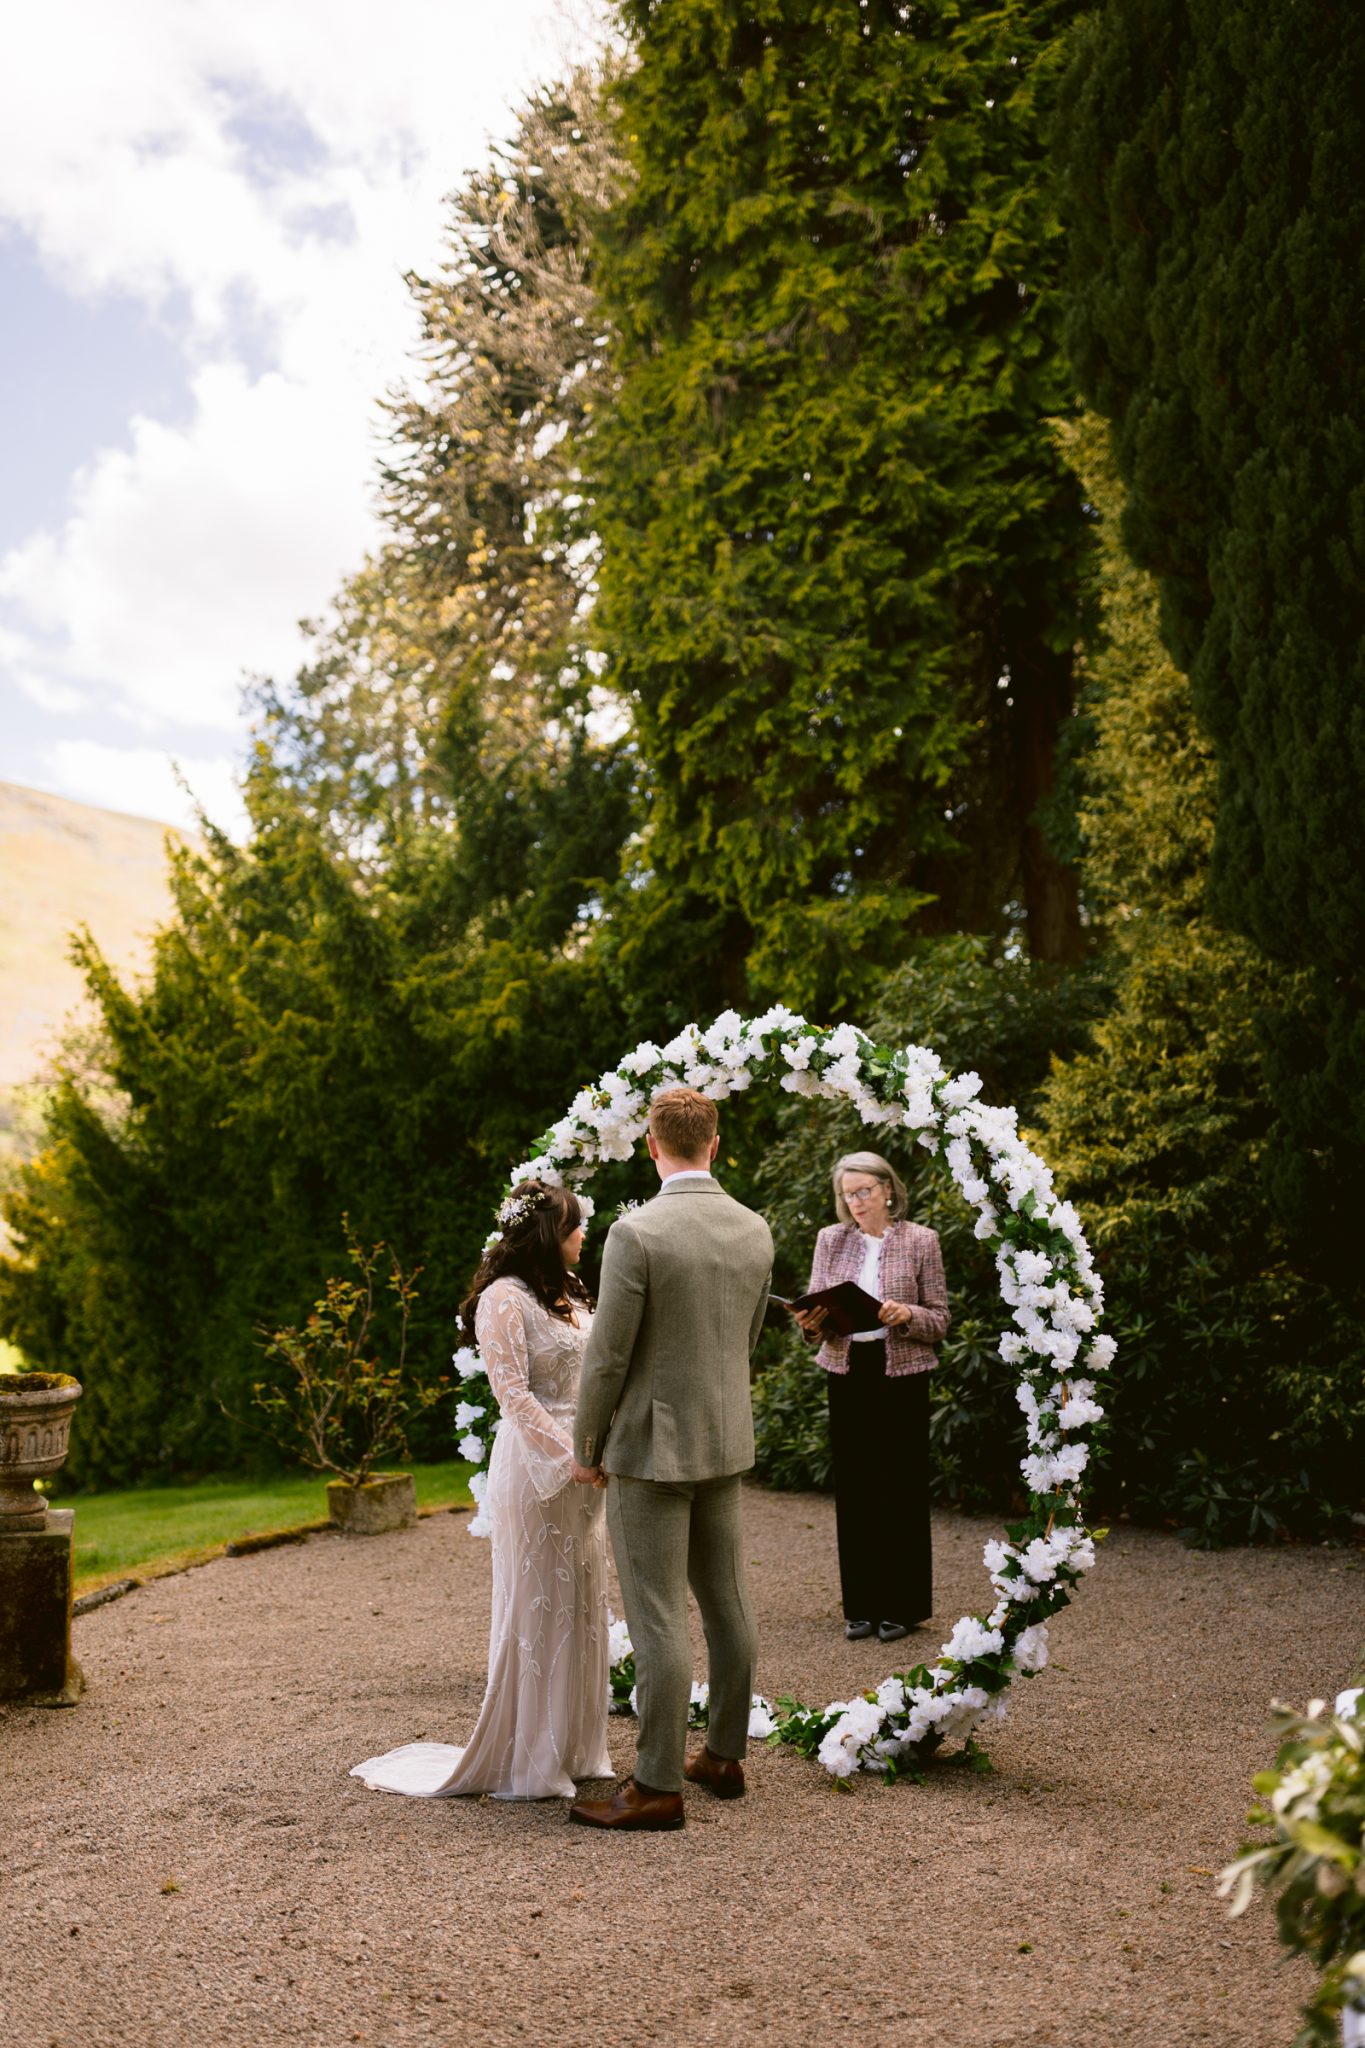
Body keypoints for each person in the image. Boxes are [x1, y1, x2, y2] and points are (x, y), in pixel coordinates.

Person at [350, 1181, 613, 1800]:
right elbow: (513, 1394)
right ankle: (531, 1757)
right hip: (538, 1466)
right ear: (550, 1234)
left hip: (587, 1469)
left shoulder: (570, 1292)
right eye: (575, 1227)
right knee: (539, 1604)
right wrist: (570, 1454)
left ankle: (578, 1748)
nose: (583, 1238)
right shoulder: (503, 1299)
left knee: (582, 1599)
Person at [566, 1087, 773, 1832]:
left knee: (656, 1619)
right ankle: (721, 1755)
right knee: (727, 1604)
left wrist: (587, 1448)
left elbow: (606, 1358)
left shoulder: (636, 1231)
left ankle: (655, 1784)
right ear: (712, 1144)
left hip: (651, 1451)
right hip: (724, 1440)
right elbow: (745, 1340)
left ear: (651, 1146)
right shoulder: (754, 1228)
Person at [795, 1151, 949, 1646]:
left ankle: (901, 1608)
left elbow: (941, 1319)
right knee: (856, 1488)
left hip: (902, 1372)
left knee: (899, 1487)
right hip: (849, 1370)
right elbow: (817, 1313)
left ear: (887, 1189)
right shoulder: (830, 1240)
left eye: (864, 1191)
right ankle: (860, 1607)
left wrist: (907, 1314)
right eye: (848, 1194)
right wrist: (810, 1324)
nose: (856, 1202)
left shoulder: (922, 1240)